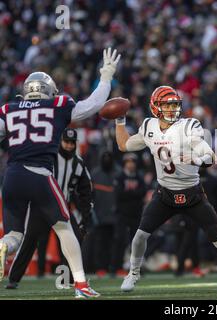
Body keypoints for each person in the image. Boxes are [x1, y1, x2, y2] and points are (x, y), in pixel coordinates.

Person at [0, 47, 120, 298]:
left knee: (13, 235)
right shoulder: (59, 104)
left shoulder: (8, 108)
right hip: (39, 174)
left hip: (11, 176)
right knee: (64, 227)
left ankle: (2, 246)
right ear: (48, 90)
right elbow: (94, 105)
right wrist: (106, 76)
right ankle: (81, 286)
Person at [114, 85, 217, 293]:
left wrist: (197, 158)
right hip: (165, 194)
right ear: (156, 107)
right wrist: (119, 120)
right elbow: (124, 145)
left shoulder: (189, 126)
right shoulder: (149, 127)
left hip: (192, 194)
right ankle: (133, 273)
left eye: (174, 105)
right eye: (167, 105)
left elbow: (209, 156)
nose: (172, 110)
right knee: (140, 236)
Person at [6, 128, 93, 288]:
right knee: (29, 241)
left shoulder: (78, 163)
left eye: (72, 143)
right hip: (41, 205)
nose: (68, 146)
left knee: (75, 237)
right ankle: (14, 279)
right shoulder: (49, 157)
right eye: (66, 142)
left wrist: (84, 219)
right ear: (60, 141)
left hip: (62, 207)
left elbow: (86, 192)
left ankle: (70, 279)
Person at [110, 153, 147, 276]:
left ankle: (136, 268)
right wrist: (134, 194)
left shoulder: (139, 177)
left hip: (136, 214)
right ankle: (115, 267)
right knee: (119, 240)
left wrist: (129, 193)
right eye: (128, 162)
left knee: (136, 242)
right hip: (122, 214)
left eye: (133, 162)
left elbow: (143, 192)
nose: (131, 164)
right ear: (124, 164)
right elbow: (119, 194)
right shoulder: (119, 177)